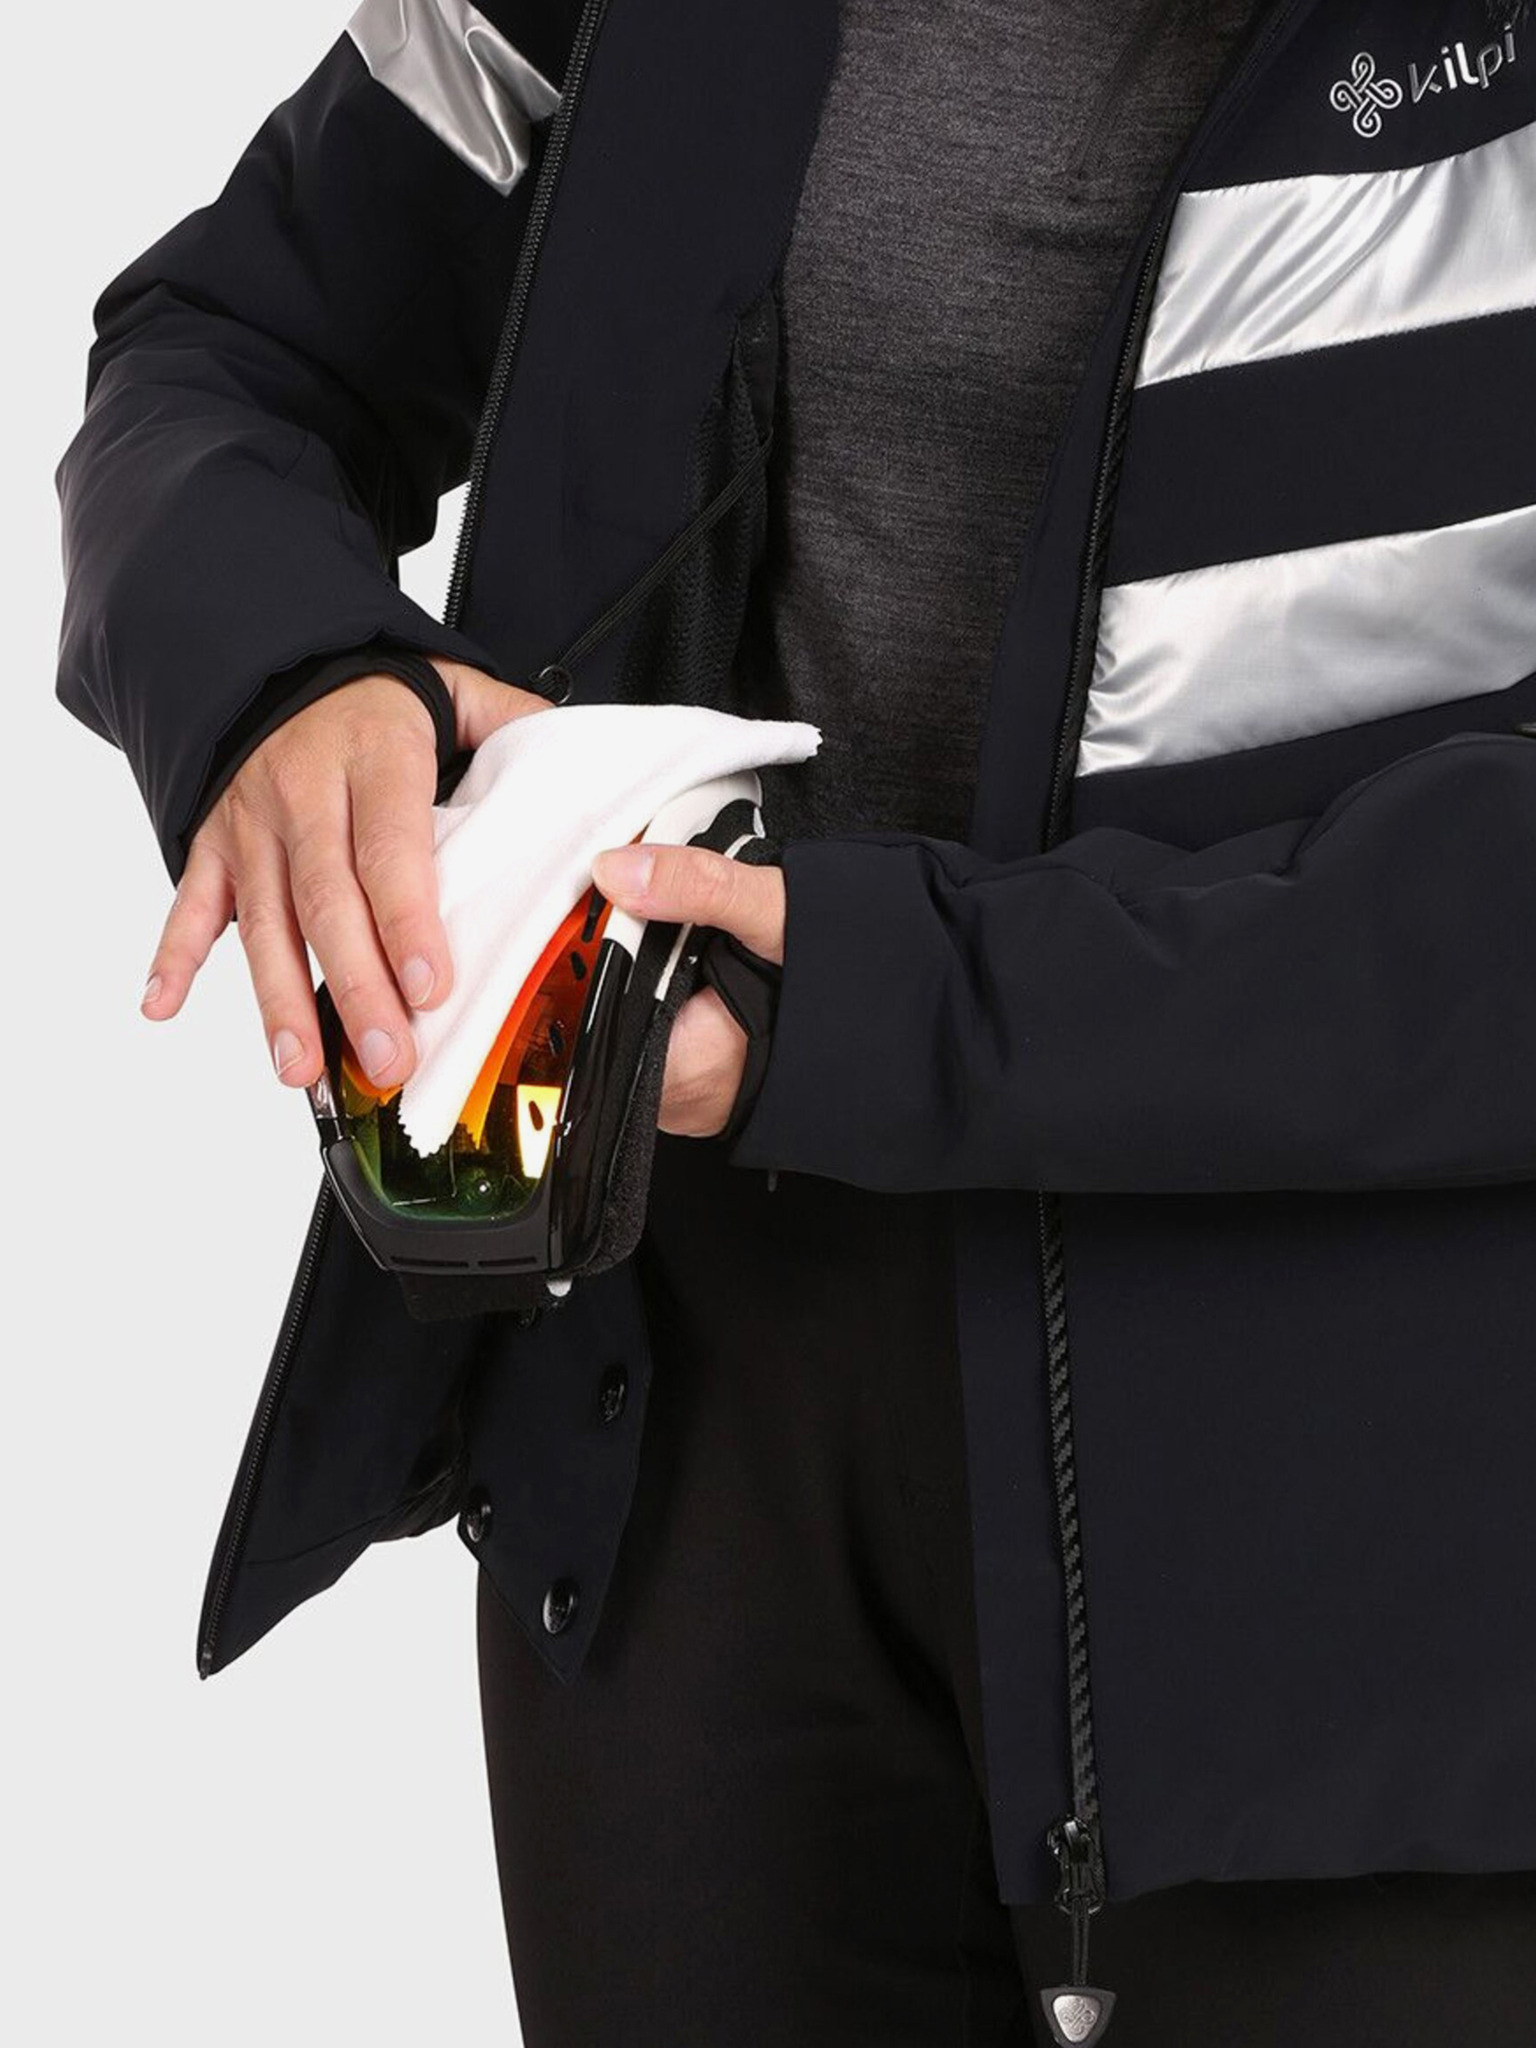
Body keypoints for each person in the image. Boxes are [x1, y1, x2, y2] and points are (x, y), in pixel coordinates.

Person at [57, 1, 1536, 2043]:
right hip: (683, 1449)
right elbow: (234, 345)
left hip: (1367, 1541)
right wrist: (282, 669)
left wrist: (860, 998)